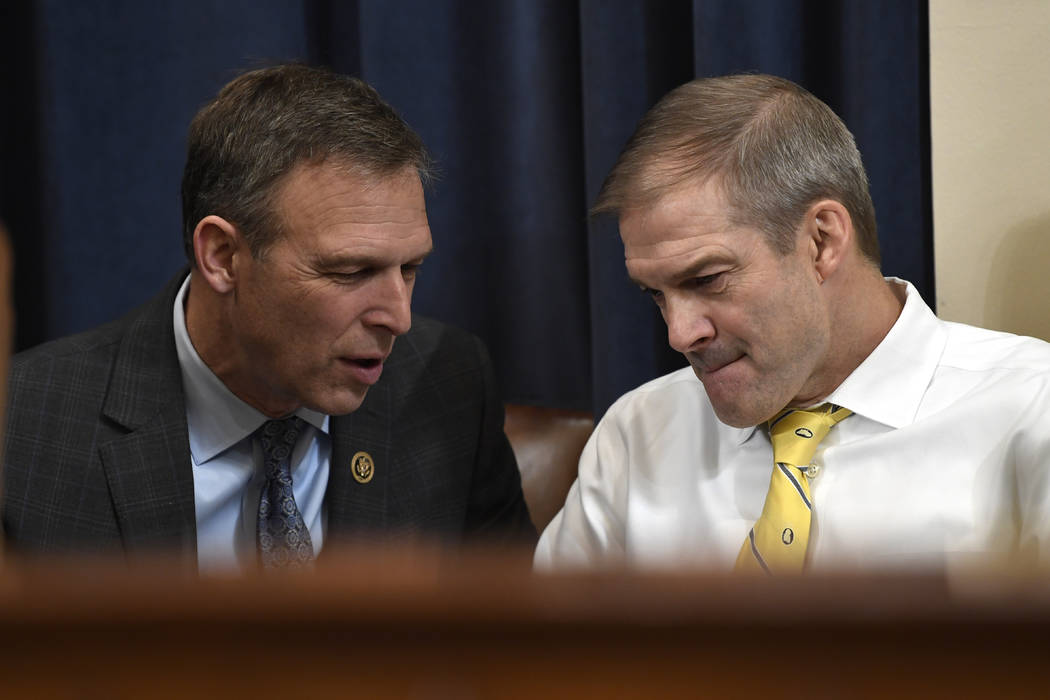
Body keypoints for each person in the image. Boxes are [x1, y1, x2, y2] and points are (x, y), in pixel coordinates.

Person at [2, 64, 534, 572]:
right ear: (223, 257)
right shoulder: (24, 429)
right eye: (351, 271)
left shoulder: (447, 387)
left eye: (410, 268)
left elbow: (518, 648)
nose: (399, 318)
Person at [535, 74, 1050, 574]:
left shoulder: (1031, 411)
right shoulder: (637, 432)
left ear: (821, 242)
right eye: (656, 295)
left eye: (708, 279)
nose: (678, 334)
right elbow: (547, 656)